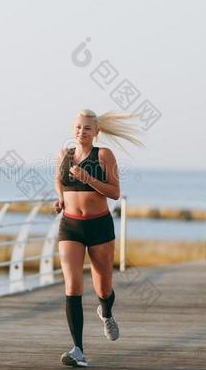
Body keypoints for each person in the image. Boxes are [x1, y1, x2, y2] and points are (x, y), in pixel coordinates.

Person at [54, 109, 143, 367]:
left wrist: (88, 178)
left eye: (87, 129)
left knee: (102, 287)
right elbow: (57, 181)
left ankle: (106, 311)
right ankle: (78, 350)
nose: (82, 132)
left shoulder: (104, 155)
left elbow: (115, 193)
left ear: (96, 132)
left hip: (99, 226)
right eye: (79, 127)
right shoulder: (64, 155)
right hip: (70, 226)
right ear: (73, 129)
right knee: (72, 286)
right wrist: (60, 198)